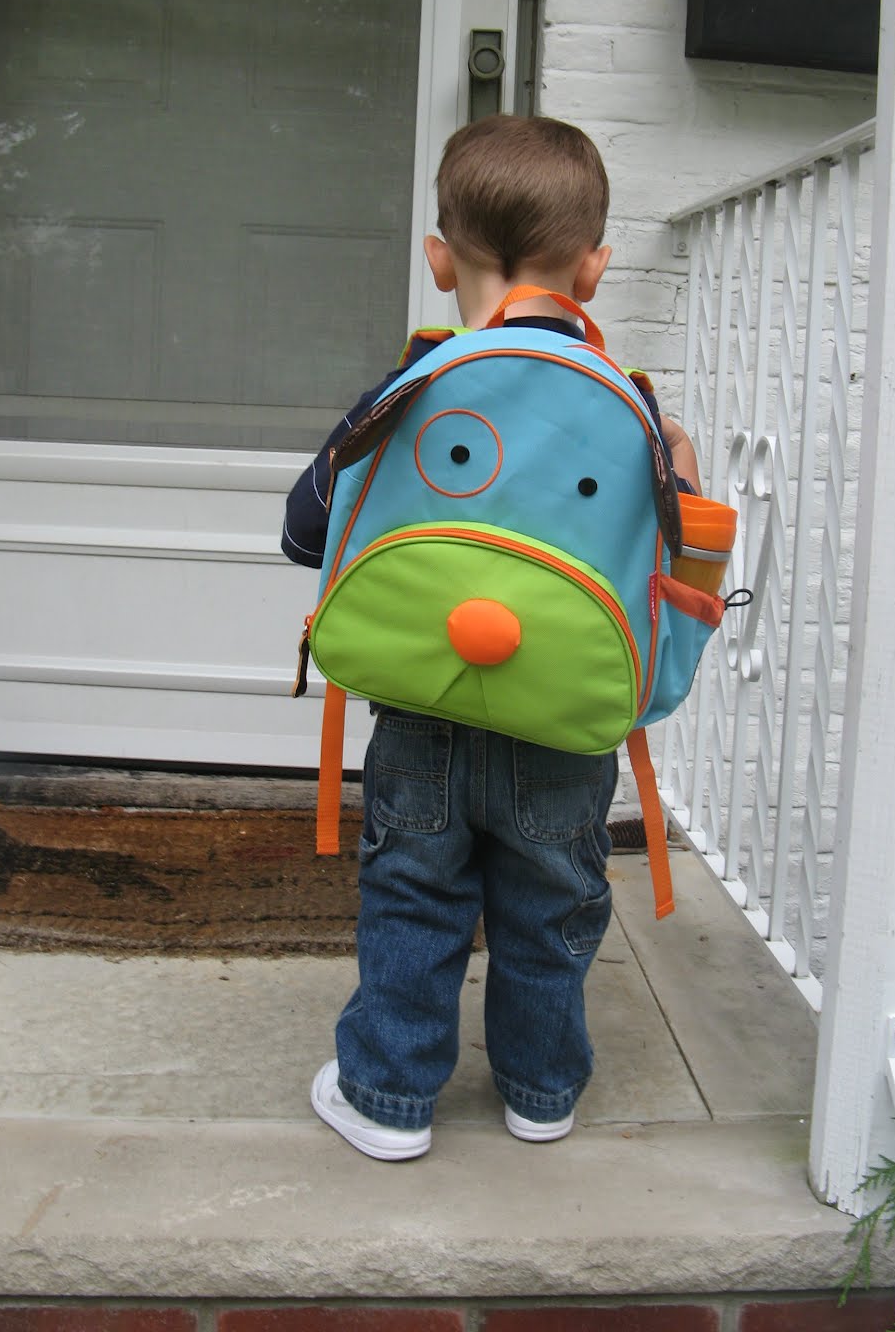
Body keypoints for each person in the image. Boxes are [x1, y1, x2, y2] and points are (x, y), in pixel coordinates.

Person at [281, 114, 698, 1161]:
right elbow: (675, 574)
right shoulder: (640, 412)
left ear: (437, 260)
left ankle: (387, 1099)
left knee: (413, 901)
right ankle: (541, 1092)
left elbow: (303, 532)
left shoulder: (408, 391)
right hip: (566, 733)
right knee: (553, 911)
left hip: (420, 718)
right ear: (593, 271)